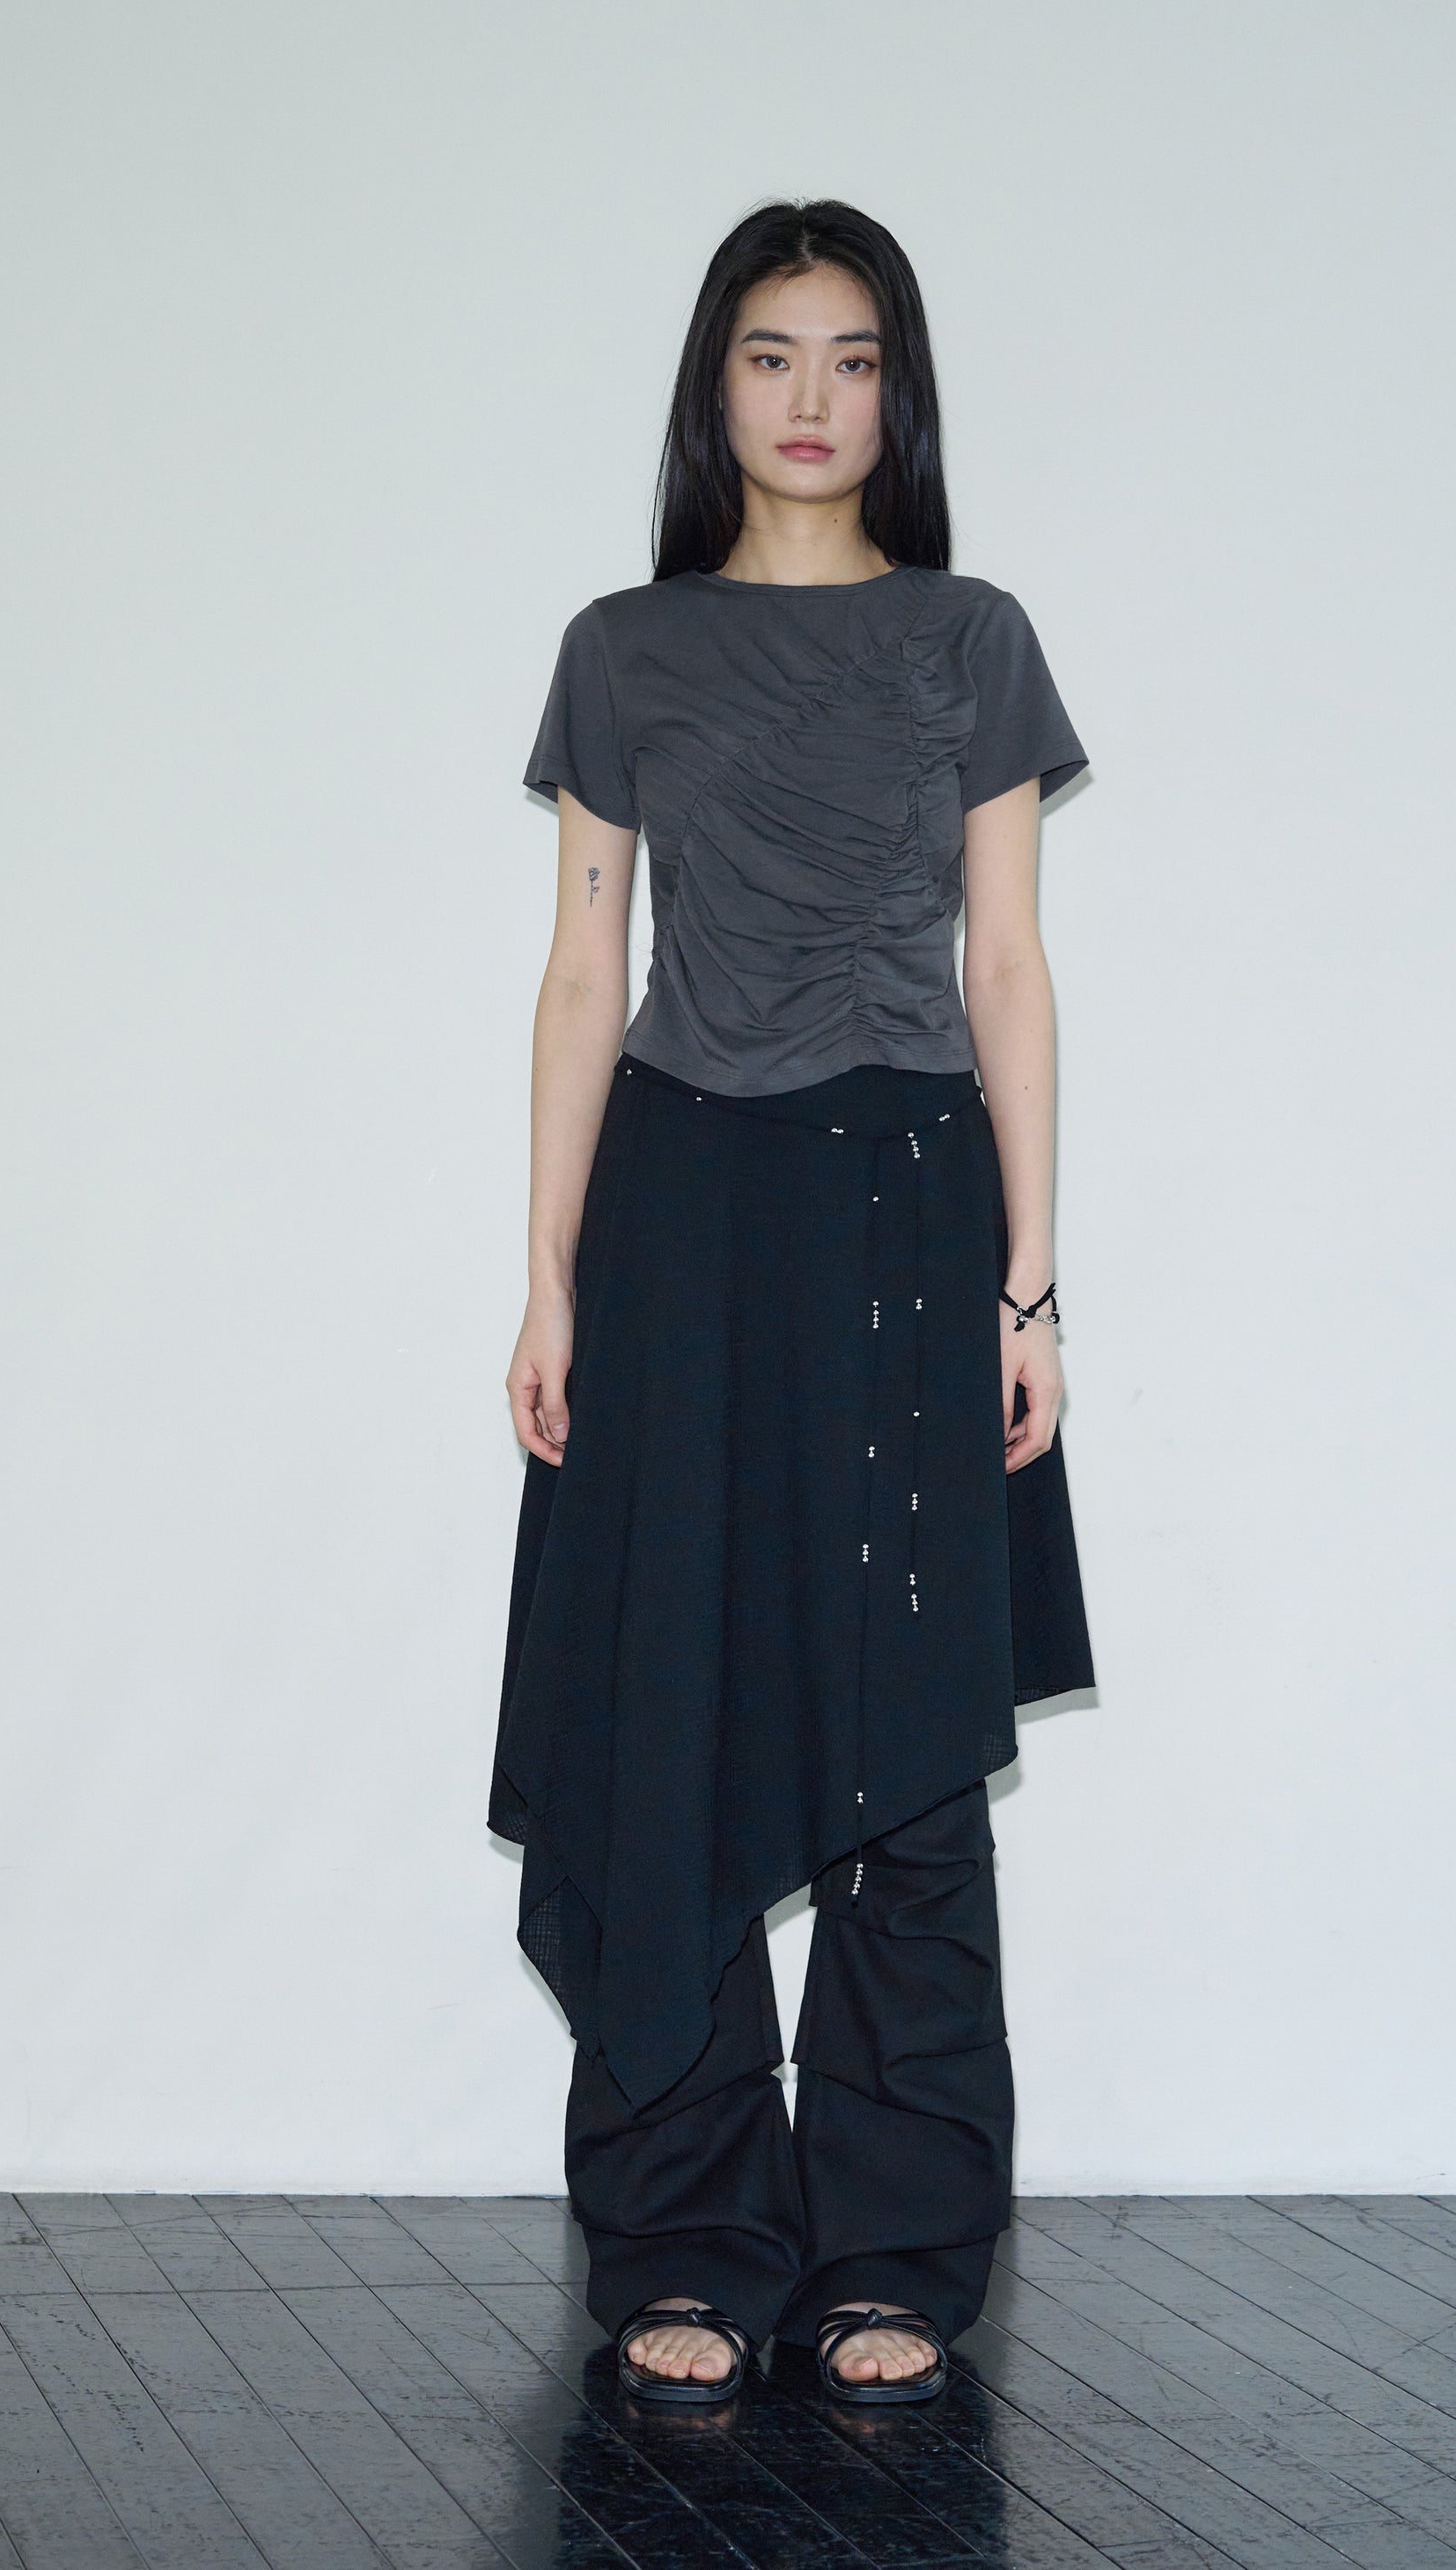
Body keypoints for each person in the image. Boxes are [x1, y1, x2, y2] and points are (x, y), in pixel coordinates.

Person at [489, 198, 1095, 2408]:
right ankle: (685, 2228)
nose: (811, 398)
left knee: (905, 1734)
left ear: (896, 391)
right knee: (670, 1709)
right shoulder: (622, 647)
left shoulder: (971, 637)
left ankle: (893, 2244)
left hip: (905, 1209)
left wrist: (1032, 1286)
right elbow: (584, 971)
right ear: (714, 386)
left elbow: (1006, 963)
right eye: (770, 354)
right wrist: (546, 1277)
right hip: (680, 1216)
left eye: (851, 357)